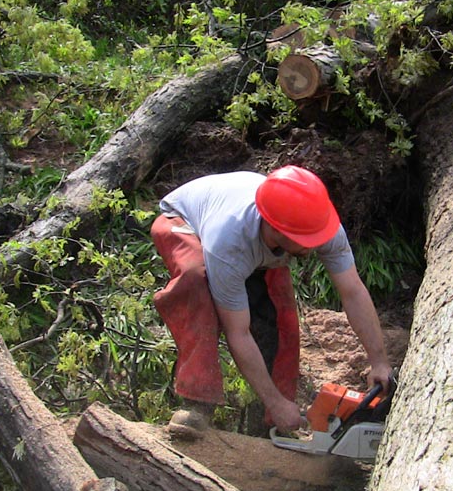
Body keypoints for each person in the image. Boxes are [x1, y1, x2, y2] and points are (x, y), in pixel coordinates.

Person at [151, 166, 393, 434]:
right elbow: (238, 332)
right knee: (195, 284)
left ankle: (266, 424)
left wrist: (379, 361)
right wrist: (275, 402)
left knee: (281, 324)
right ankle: (196, 404)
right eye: (305, 240)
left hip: (257, 246)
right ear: (276, 229)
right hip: (183, 223)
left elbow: (353, 291)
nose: (313, 245)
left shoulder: (317, 222)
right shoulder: (228, 243)